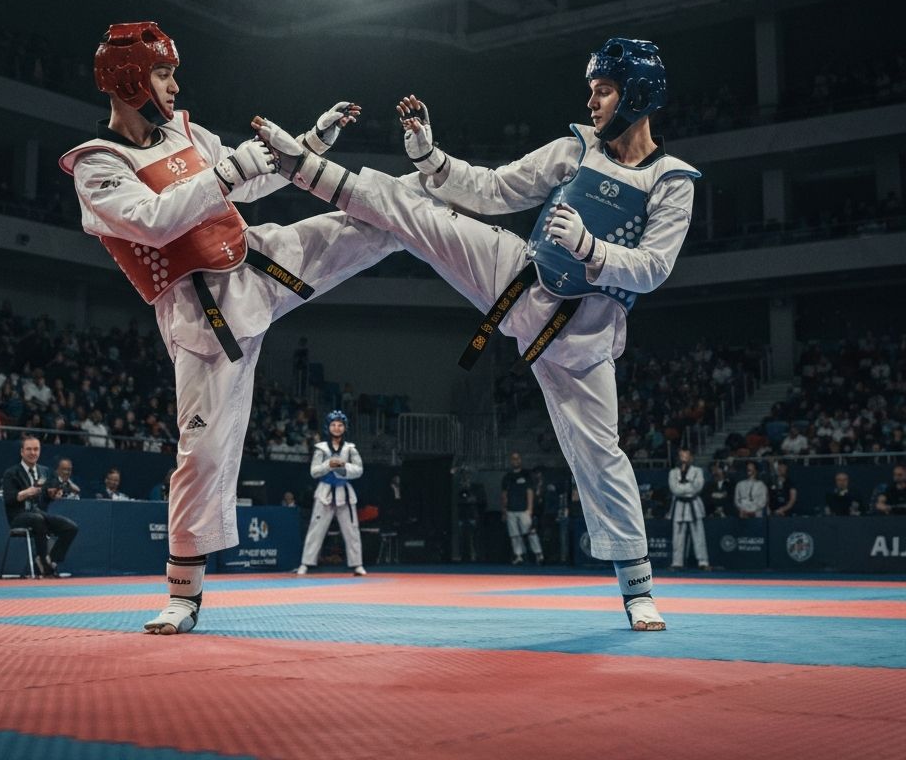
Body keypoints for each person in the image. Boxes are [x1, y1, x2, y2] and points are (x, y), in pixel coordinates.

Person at [257, 36, 699, 631]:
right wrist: (431, 157)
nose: (592, 101)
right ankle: (301, 165)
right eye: (591, 91)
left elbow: (654, 266)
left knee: (599, 456)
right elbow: (494, 190)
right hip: (520, 277)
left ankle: (637, 588)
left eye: (603, 91)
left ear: (637, 95)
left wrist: (592, 250)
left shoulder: (672, 180)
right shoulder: (575, 147)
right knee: (416, 212)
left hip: (584, 335)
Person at [59, 22, 396, 634]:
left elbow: (257, 179)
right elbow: (155, 221)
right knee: (205, 452)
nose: (174, 83)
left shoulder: (190, 131)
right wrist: (226, 174)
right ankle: (183, 595)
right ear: (130, 78)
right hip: (199, 313)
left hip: (260, 262)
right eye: (163, 73)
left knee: (371, 222)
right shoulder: (97, 166)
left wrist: (311, 142)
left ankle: (454, 214)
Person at [295, 411, 366, 576]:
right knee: (316, 529)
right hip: (324, 492)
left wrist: (342, 466)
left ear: (345, 427)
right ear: (328, 427)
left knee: (351, 529)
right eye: (333, 424)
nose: (337, 428)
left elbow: (359, 470)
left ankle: (357, 564)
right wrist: (328, 464)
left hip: (344, 492)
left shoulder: (350, 449)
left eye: (340, 425)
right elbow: (314, 471)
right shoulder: (321, 448)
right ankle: (305, 563)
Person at [1, 435, 78, 576]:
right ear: (22, 452)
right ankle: (42, 559)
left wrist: (53, 494)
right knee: (38, 518)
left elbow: (47, 496)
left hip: (39, 514)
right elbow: (9, 499)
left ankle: (50, 562)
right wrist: (26, 493)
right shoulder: (11, 473)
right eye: (29, 449)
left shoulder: (45, 471)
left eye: (36, 449)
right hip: (18, 516)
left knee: (70, 527)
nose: (33, 453)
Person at [667, 448, 709, 570]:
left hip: (694, 505)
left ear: (691, 458)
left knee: (698, 535)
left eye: (686, 457)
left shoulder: (697, 471)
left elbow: (697, 487)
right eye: (681, 456)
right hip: (679, 506)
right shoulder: (673, 472)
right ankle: (677, 562)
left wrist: (683, 488)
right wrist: (687, 488)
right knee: (677, 536)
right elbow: (674, 489)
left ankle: (703, 561)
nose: (683, 459)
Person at [501, 452, 544, 566]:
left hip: (524, 509)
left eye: (517, 458)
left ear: (520, 460)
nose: (515, 461)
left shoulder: (526, 475)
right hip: (511, 510)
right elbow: (504, 495)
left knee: (531, 532)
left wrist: (530, 509)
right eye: (513, 459)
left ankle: (538, 554)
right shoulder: (507, 477)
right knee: (514, 535)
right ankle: (518, 555)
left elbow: (530, 492)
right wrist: (504, 510)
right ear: (511, 461)